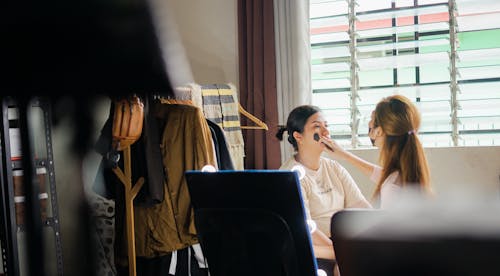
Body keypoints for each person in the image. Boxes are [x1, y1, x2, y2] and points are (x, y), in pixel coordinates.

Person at [276, 105, 372, 265]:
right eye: (317, 127)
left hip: (340, 241)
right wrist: (340, 252)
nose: (326, 133)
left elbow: (361, 206)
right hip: (314, 246)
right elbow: (306, 229)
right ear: (298, 136)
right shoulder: (291, 176)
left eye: (326, 126)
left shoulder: (334, 168)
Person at [320, 94, 433, 208]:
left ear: (378, 131)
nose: (369, 123)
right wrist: (345, 155)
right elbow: (383, 176)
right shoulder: (403, 175)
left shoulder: (392, 188)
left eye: (371, 119)